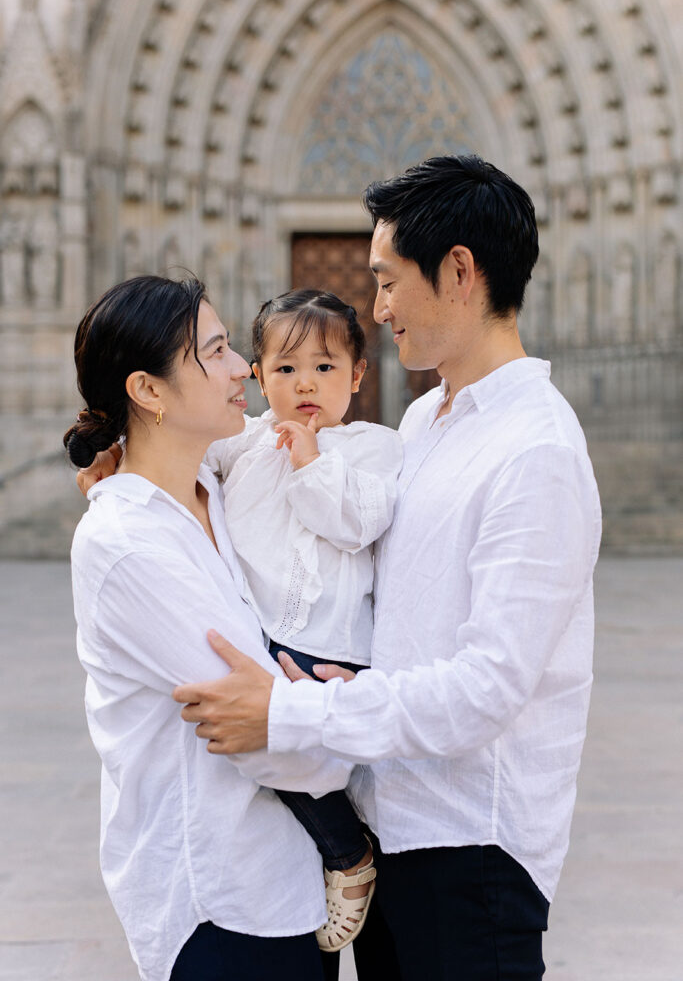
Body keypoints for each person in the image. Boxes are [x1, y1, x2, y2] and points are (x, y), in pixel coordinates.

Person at [173, 154, 603, 980]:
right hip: (391, 830)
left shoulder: (535, 449)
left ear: (459, 272)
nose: (376, 307)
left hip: (468, 853)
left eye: (387, 280)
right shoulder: (423, 425)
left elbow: (488, 685)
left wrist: (291, 715)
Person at [65, 275, 356, 981]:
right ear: (150, 391)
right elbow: (266, 738)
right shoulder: (128, 542)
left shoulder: (216, 495)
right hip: (213, 902)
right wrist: (343, 716)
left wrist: (301, 708)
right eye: (217, 351)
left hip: (286, 889)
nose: (243, 370)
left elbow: (274, 715)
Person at [204, 288, 403, 950]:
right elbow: (185, 469)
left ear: (356, 375)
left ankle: (347, 856)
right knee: (252, 751)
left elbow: (359, 522)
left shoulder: (371, 448)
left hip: (331, 648)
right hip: (260, 637)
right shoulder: (243, 442)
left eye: (323, 367)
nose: (305, 384)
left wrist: (310, 459)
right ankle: (340, 855)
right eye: (285, 369)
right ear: (257, 377)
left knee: (284, 751)